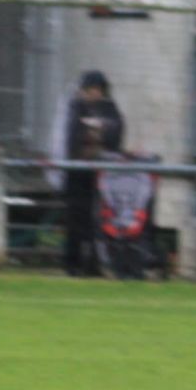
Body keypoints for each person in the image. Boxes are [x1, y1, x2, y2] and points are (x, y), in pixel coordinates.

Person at [62, 70, 123, 278]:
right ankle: (73, 263)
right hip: (78, 174)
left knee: (99, 220)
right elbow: (75, 137)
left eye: (98, 89)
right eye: (90, 89)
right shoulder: (75, 107)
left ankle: (94, 263)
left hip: (102, 174)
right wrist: (96, 132)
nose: (94, 93)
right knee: (76, 219)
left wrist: (98, 132)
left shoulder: (109, 108)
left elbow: (115, 133)